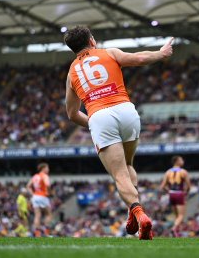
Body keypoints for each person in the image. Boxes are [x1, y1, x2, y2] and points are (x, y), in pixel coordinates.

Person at [64, 25, 174, 240]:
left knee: (119, 174)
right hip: (126, 110)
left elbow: (72, 114)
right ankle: (132, 213)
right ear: (92, 40)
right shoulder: (109, 53)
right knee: (129, 165)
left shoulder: (71, 73)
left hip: (99, 115)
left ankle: (139, 214)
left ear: (72, 49)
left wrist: (95, 124)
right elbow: (140, 59)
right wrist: (161, 53)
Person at [160, 155, 191, 237]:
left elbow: (163, 186)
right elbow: (188, 186)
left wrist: (169, 192)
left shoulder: (168, 172)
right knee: (181, 215)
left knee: (176, 215)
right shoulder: (183, 172)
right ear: (177, 161)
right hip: (179, 193)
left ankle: (176, 233)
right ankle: (174, 228)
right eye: (181, 160)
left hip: (171, 194)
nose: (183, 161)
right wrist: (185, 193)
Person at [27, 163, 51, 237]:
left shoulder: (35, 176)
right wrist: (48, 190)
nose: (48, 169)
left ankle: (37, 234)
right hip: (43, 196)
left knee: (37, 215)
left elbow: (28, 186)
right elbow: (47, 184)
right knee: (48, 214)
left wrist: (32, 194)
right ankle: (46, 233)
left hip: (35, 196)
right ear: (43, 169)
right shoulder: (44, 176)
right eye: (47, 168)